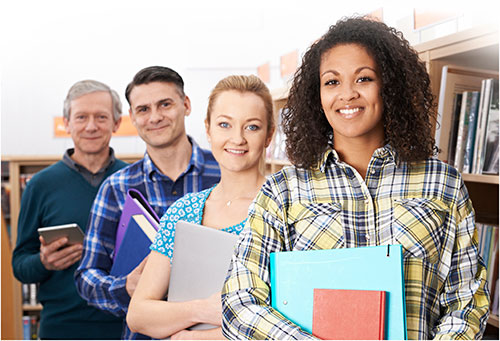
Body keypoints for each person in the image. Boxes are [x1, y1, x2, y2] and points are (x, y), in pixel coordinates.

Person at [221, 17, 490, 340]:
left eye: (363, 78)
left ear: (389, 85)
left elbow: (467, 302)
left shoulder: (442, 182)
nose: (346, 94)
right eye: (332, 82)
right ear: (316, 94)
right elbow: (240, 301)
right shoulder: (284, 190)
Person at [74, 66, 221, 339]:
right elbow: (86, 277)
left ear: (186, 105)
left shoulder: (225, 172)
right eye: (143, 109)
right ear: (132, 116)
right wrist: (125, 287)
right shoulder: (117, 188)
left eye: (165, 104)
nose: (155, 117)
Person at [126, 74, 275, 339]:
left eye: (251, 127)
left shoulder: (283, 207)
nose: (237, 139)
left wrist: (192, 337)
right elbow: (138, 315)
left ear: (269, 135)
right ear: (208, 130)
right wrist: (202, 310)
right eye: (224, 125)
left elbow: (286, 318)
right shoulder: (185, 211)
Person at [12, 80, 128, 339]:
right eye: (81, 117)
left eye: (101, 117)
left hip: (125, 328)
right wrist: (44, 262)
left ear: (116, 123)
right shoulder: (40, 185)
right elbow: (19, 265)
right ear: (67, 122)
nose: (91, 126)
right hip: (60, 329)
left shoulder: (133, 181)